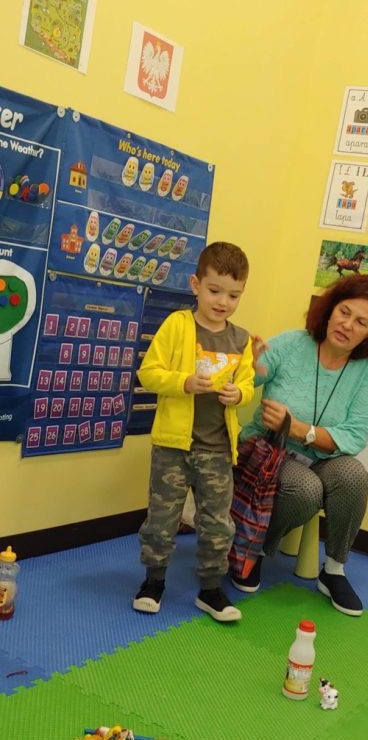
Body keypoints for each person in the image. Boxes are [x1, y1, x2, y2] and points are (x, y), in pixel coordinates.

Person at [231, 274, 368, 617]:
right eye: (344, 312)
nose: (347, 325)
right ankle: (254, 549)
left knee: (353, 475)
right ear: (330, 309)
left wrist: (300, 429)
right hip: (270, 448)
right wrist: (248, 363)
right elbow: (247, 380)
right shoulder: (293, 343)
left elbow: (355, 435)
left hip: (324, 455)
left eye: (361, 322)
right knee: (305, 489)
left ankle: (334, 569)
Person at [133, 242, 255, 622]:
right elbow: (148, 373)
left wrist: (240, 394)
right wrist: (184, 382)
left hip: (217, 450)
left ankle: (211, 589)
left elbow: (247, 383)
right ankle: (153, 581)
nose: (223, 302)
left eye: (234, 295)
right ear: (196, 285)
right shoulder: (177, 325)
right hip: (173, 446)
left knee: (218, 524)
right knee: (162, 520)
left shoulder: (241, 339)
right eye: (215, 291)